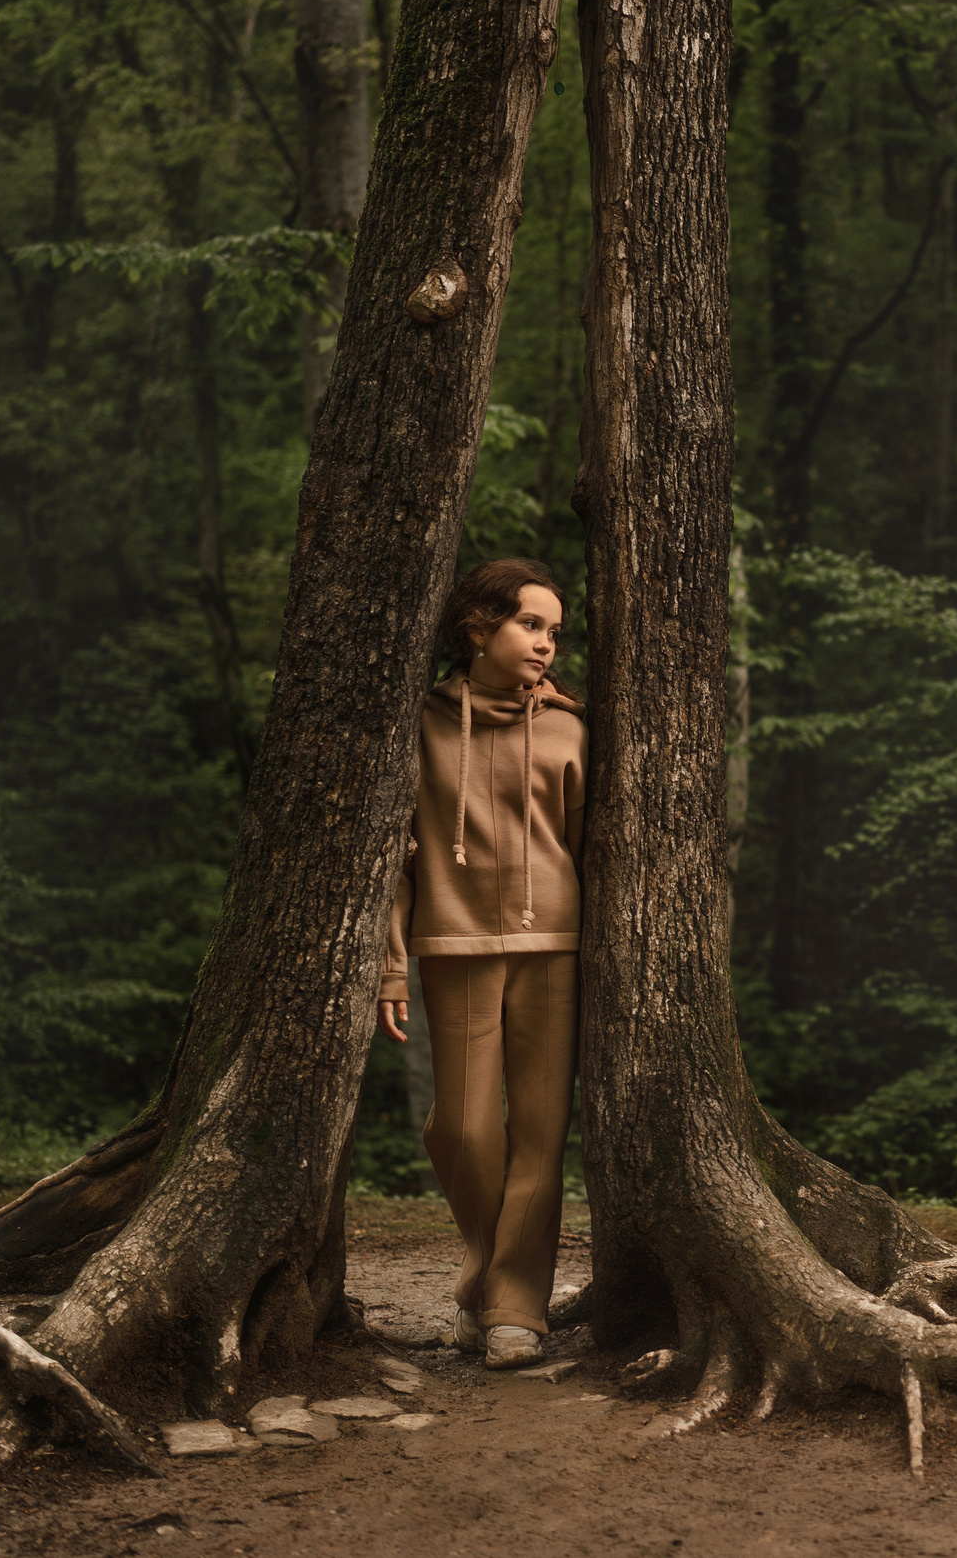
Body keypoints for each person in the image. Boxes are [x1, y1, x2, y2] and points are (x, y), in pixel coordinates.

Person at [376, 558, 584, 1369]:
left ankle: (514, 1310)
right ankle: (484, 1274)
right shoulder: (421, 722)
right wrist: (390, 965)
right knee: (462, 1127)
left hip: (555, 947)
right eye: (531, 625)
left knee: (539, 1132)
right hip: (453, 944)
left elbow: (584, 844)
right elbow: (392, 856)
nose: (546, 645)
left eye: (554, 632)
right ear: (477, 629)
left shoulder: (568, 727)